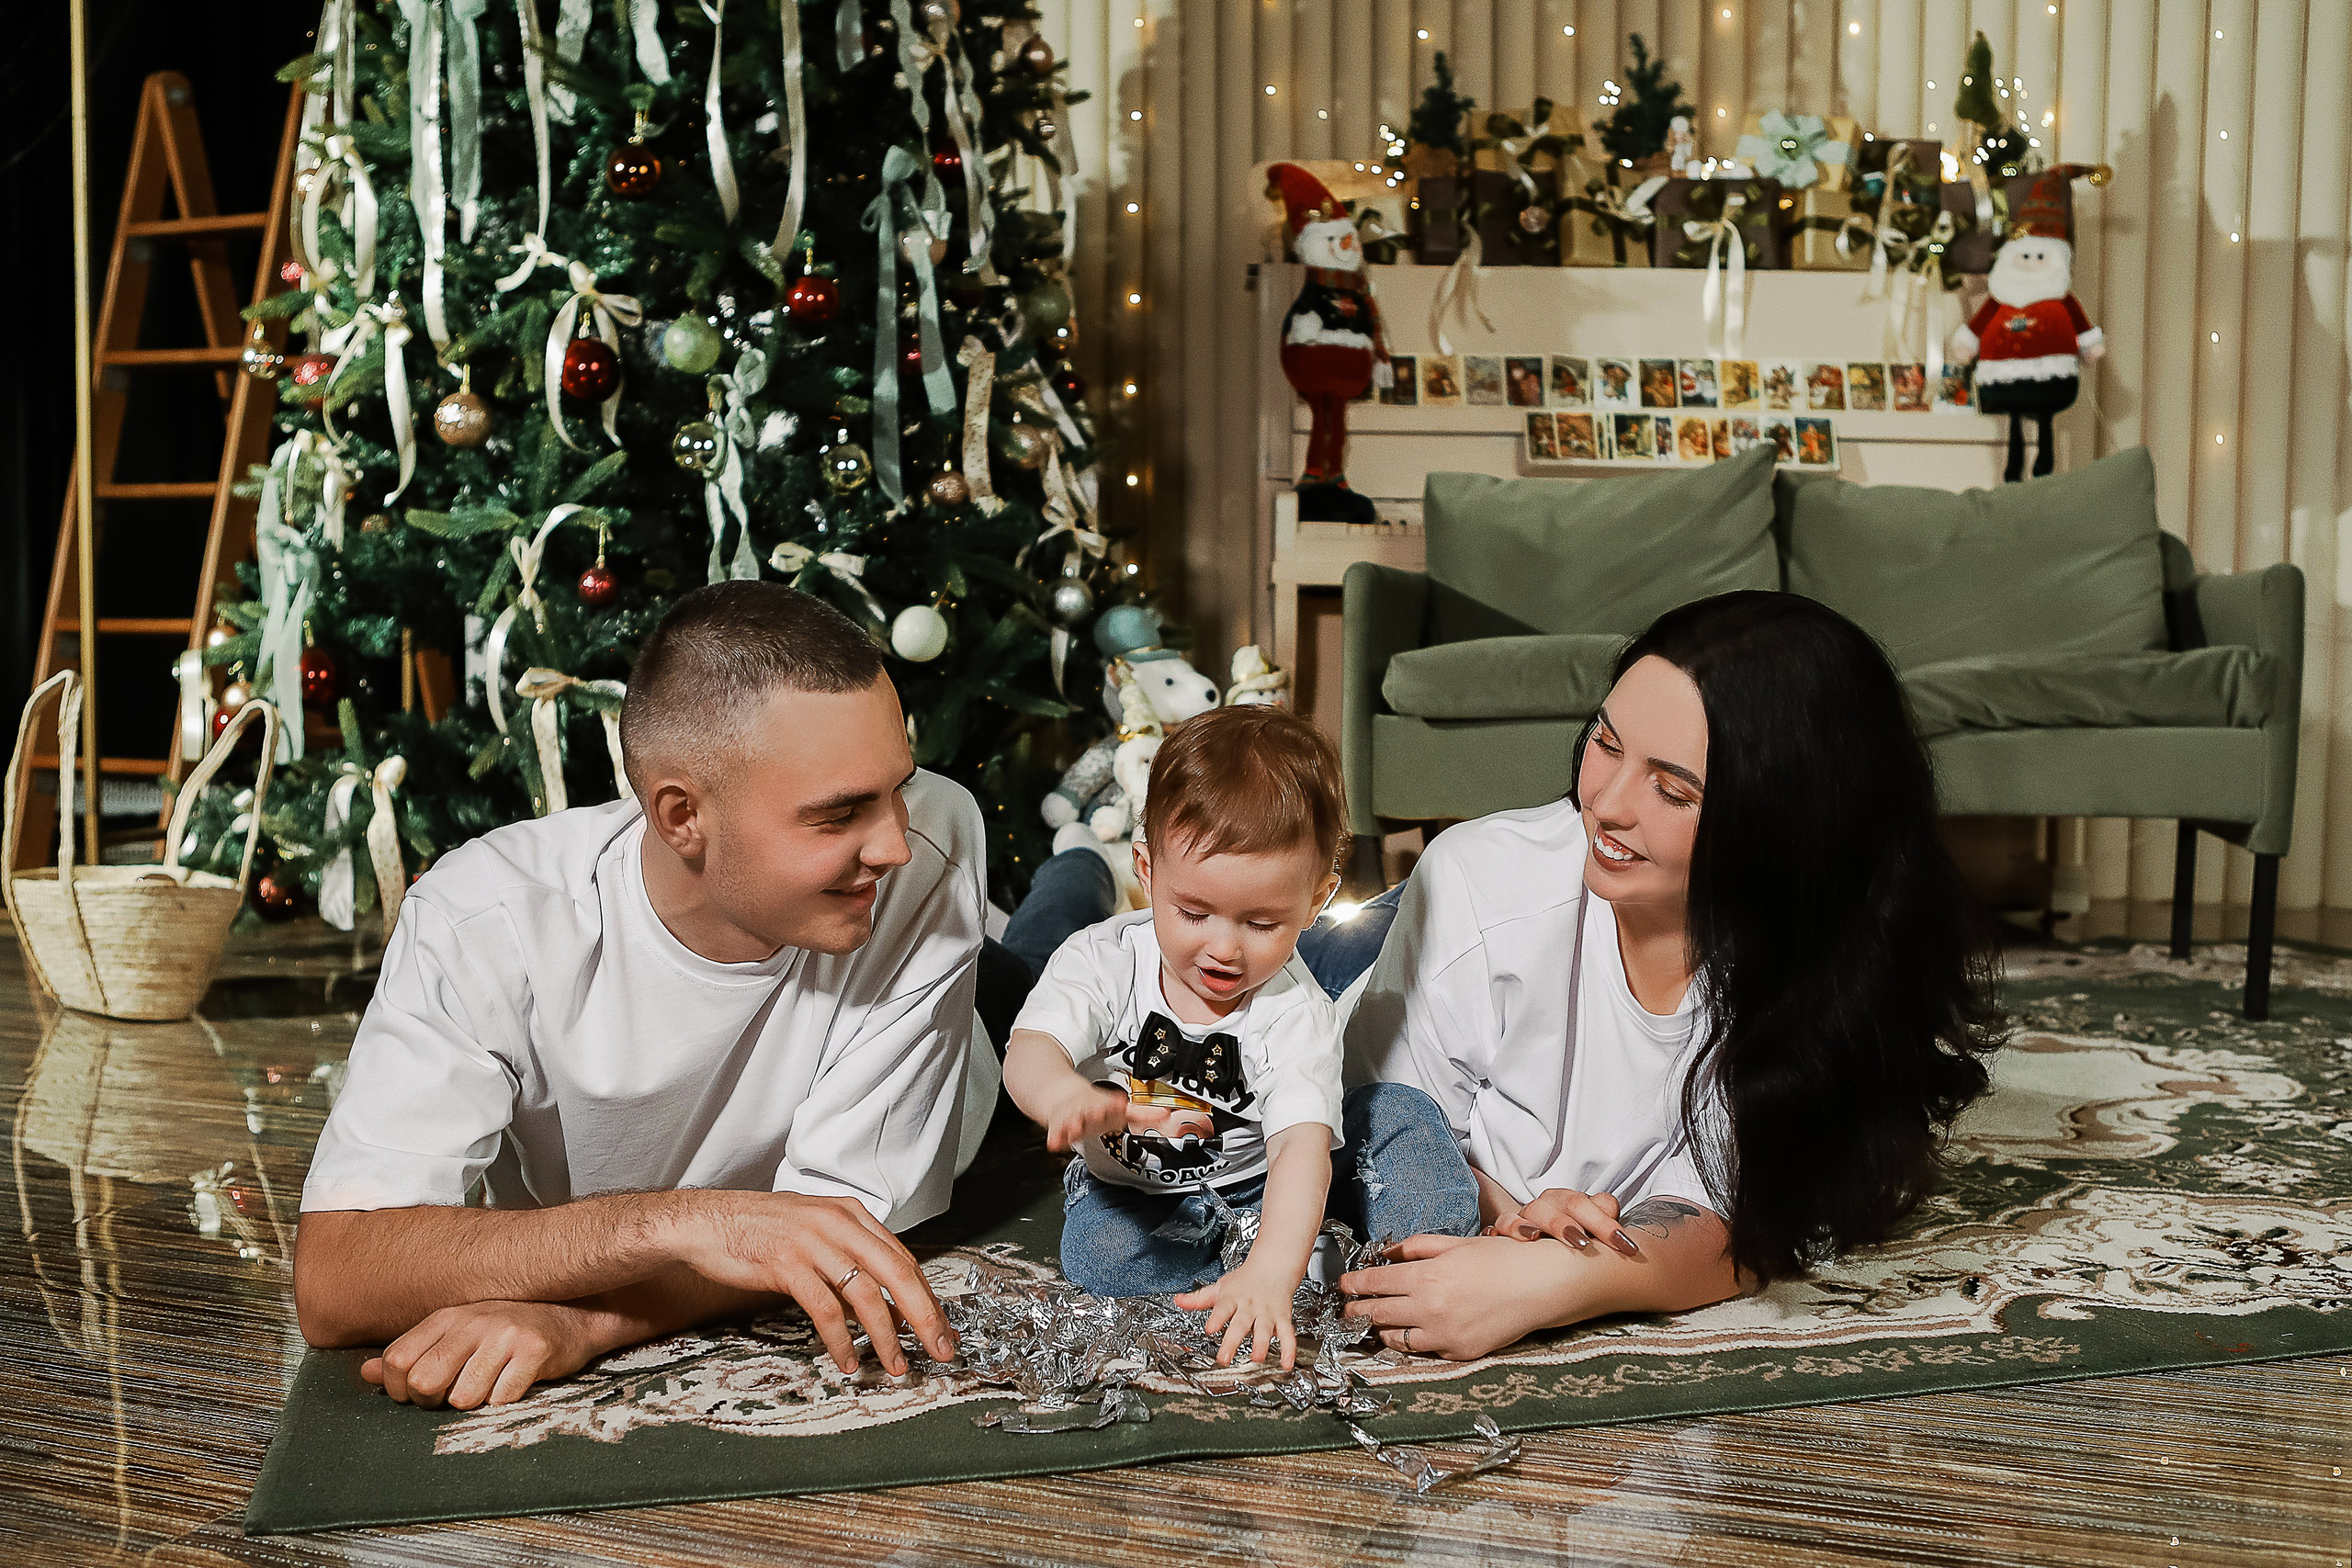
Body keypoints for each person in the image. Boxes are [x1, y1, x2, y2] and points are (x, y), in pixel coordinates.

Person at [294, 582, 990, 1410]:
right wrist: (689, 1223)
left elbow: (826, 1234)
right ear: (680, 814)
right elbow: (336, 1277)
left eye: (896, 789)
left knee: (1069, 988)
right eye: (839, 814)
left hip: (981, 1034)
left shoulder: (933, 846)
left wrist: (580, 1325)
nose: (894, 844)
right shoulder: (485, 919)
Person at [1337, 592, 2006, 1360]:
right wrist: (1507, 1213)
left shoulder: (1823, 971)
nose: (1608, 806)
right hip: (1370, 960)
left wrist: (1556, 1276)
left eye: (1673, 788)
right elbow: (1380, 1132)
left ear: (1778, 826)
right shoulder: (1479, 887)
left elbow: (1747, 1221)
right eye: (1606, 743)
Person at [1002, 706, 1476, 1369]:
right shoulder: (1102, 960)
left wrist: (1272, 1271)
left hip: (1269, 1176)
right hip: (1139, 1193)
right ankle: (1295, 1261)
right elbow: (1029, 1050)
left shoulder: (1293, 1006)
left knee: (1397, 1114)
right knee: (1098, 1253)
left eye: (1262, 923)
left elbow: (1301, 1149)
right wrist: (1060, 1095)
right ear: (1147, 869)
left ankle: (1412, 1258)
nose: (1222, 949)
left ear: (1317, 901)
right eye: (1193, 912)